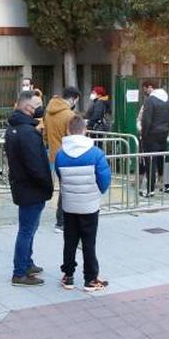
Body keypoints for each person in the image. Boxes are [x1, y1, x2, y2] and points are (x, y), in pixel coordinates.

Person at [55, 114, 112, 291]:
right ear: (85, 130)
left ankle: (68, 276)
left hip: (69, 204)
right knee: (89, 242)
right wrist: (97, 192)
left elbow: (60, 176)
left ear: (68, 131)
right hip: (89, 205)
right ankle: (90, 279)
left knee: (69, 241)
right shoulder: (96, 153)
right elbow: (104, 179)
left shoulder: (61, 154)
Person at [3, 89, 52, 286]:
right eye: (37, 105)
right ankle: (20, 272)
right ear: (28, 107)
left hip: (23, 186)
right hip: (32, 189)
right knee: (26, 230)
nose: (40, 109)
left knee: (29, 229)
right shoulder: (28, 133)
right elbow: (36, 165)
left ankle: (27, 263)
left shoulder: (14, 129)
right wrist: (47, 184)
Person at [44, 86, 81, 232]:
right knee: (68, 189)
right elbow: (74, 138)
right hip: (69, 155)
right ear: (74, 99)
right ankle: (61, 222)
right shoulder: (69, 115)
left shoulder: (48, 112)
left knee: (64, 187)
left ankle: (63, 221)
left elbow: (45, 135)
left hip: (54, 155)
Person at [139, 79, 169, 197]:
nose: (145, 91)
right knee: (164, 159)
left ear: (150, 87)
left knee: (150, 161)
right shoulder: (168, 99)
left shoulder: (150, 100)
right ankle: (168, 186)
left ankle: (150, 190)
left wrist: (144, 135)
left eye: (145, 89)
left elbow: (146, 120)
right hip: (164, 133)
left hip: (151, 135)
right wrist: (167, 131)